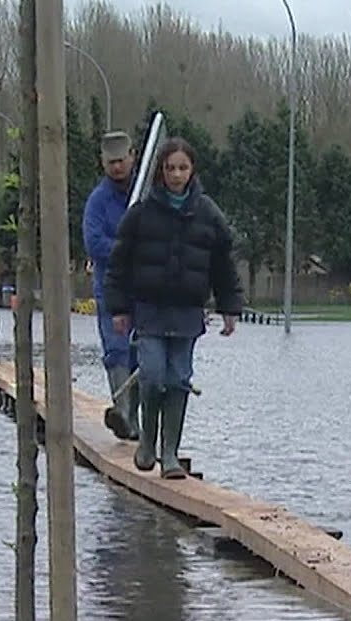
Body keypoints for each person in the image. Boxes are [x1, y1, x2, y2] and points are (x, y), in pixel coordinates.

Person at [104, 137, 244, 479]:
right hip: (150, 310)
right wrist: (119, 309)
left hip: (187, 312)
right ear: (161, 171)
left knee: (179, 378)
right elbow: (118, 264)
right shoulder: (141, 213)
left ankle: (170, 454)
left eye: (183, 168)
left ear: (192, 169)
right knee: (152, 375)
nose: (177, 175)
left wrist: (229, 307)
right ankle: (147, 442)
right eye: (170, 168)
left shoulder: (208, 213)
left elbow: (224, 264)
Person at [83, 130, 140, 441]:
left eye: (122, 160)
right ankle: (125, 416)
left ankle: (136, 417)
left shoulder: (145, 194)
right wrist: (126, 250)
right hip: (110, 287)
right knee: (116, 351)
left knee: (143, 354)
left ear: (132, 156)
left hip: (145, 288)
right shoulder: (98, 202)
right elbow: (94, 242)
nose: (117, 167)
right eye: (111, 162)